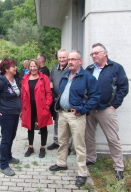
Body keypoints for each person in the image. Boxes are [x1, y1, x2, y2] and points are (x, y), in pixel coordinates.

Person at [49, 50, 101, 187]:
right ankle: (61, 163)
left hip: (76, 116)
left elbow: (95, 96)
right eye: (69, 60)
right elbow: (61, 92)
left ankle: (82, 173)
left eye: (73, 59)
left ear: (80, 61)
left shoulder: (87, 77)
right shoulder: (66, 74)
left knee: (79, 145)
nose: (70, 62)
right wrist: (59, 104)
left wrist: (83, 109)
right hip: (63, 114)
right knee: (62, 141)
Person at [85, 43, 129, 180]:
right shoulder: (89, 69)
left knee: (112, 138)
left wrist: (114, 104)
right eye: (92, 54)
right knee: (89, 136)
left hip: (106, 109)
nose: (94, 56)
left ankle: (119, 167)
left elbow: (123, 87)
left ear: (105, 53)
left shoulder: (116, 68)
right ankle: (91, 158)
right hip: (91, 109)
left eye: (96, 53)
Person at [0, 58, 21, 176]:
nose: (15, 68)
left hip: (15, 113)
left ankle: (9, 157)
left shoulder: (15, 79)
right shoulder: (1, 82)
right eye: (13, 66)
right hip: (6, 114)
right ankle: (3, 165)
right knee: (6, 139)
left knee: (12, 136)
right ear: (6, 69)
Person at [21, 59, 53, 158]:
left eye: (34, 66)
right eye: (31, 66)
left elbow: (49, 93)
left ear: (38, 66)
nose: (33, 68)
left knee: (43, 127)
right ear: (28, 67)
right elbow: (22, 94)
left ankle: (42, 147)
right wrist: (21, 108)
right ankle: (30, 147)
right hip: (28, 107)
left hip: (41, 106)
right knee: (30, 127)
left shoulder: (44, 78)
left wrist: (47, 105)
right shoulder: (25, 78)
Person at [47, 49, 73, 155]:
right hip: (56, 100)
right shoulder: (54, 68)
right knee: (57, 121)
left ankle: (68, 145)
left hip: (67, 100)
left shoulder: (70, 68)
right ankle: (56, 141)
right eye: (60, 57)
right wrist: (52, 93)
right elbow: (51, 81)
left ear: (67, 57)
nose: (62, 59)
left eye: (64, 57)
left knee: (68, 123)